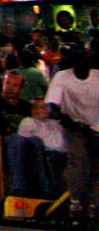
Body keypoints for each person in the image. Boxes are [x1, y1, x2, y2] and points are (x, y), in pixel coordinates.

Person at [44, 46, 99, 218]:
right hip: (74, 127)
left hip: (96, 127)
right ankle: (75, 201)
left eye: (88, 60)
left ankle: (94, 203)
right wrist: (63, 117)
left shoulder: (97, 76)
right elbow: (52, 105)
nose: (85, 64)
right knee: (79, 158)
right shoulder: (62, 78)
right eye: (81, 61)